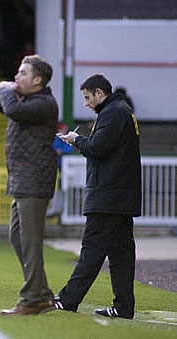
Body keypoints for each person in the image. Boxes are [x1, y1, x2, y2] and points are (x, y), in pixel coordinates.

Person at [55, 73, 141, 319]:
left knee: (91, 250)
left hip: (108, 196)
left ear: (99, 93)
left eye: (87, 97)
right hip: (121, 197)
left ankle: (68, 300)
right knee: (121, 254)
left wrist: (76, 140)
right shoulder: (121, 111)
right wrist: (84, 142)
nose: (86, 103)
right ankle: (123, 307)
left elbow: (97, 148)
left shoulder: (113, 113)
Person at [0, 55, 58, 315]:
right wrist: (0, 91)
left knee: (29, 240)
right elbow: (3, 107)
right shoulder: (31, 101)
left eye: (23, 73)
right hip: (23, 178)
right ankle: (42, 293)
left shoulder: (44, 103)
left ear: (37, 80)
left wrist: (6, 89)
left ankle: (32, 300)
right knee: (18, 238)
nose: (17, 77)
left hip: (34, 178)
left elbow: (14, 111)